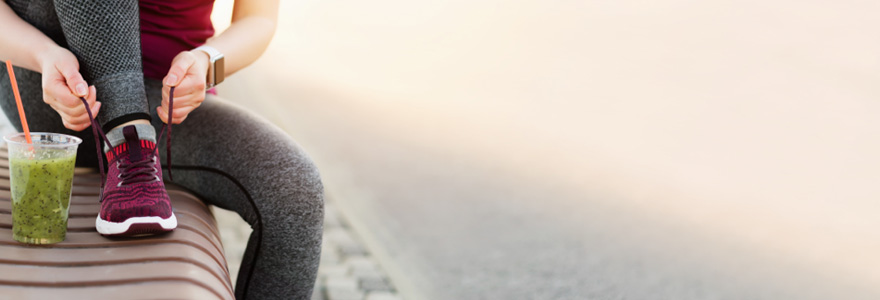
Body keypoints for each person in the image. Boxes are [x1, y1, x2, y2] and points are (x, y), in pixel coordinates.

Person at [0, 0, 324, 299]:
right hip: (62, 81)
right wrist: (41, 54)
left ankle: (135, 143)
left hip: (166, 98)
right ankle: (130, 141)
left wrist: (208, 62)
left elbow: (258, 20)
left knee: (294, 189)